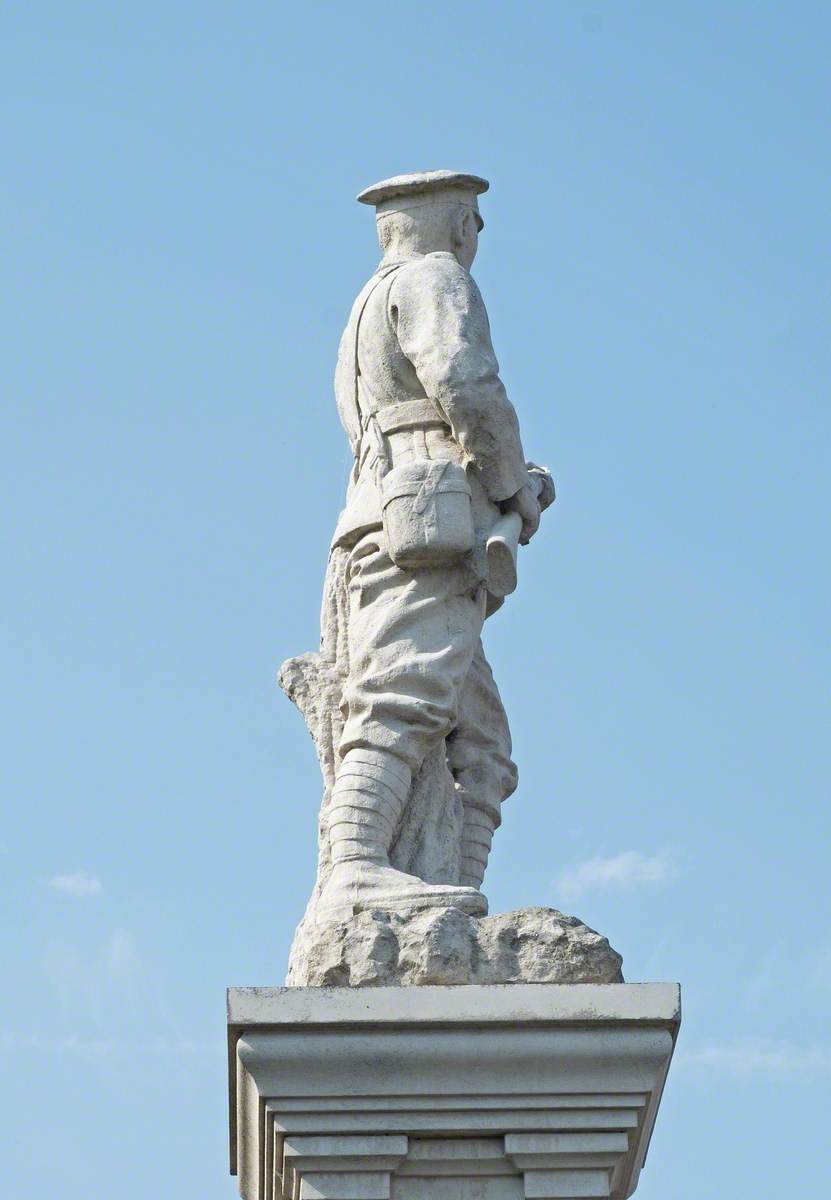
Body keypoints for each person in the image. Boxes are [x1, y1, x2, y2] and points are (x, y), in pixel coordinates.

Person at [317, 171, 550, 920]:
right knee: (402, 697)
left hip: (392, 518)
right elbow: (465, 381)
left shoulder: (360, 307)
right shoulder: (434, 277)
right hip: (425, 525)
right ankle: (354, 866)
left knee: (480, 744)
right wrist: (513, 482)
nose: (475, 238)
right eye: (473, 223)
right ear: (456, 224)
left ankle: (457, 899)